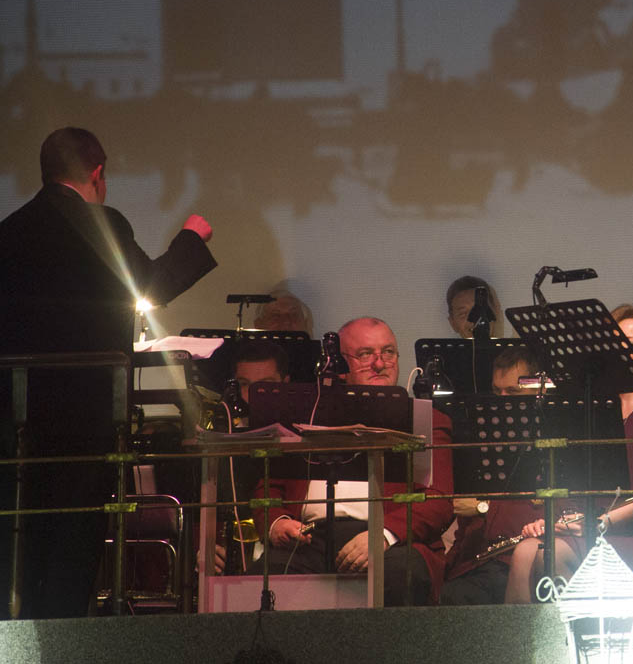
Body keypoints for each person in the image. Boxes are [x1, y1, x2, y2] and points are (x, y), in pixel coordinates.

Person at [0, 126, 217, 618]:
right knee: (73, 542)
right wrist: (191, 236)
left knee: (20, 540)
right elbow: (151, 286)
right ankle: (66, 639)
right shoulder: (102, 224)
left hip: (15, 416)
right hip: (84, 413)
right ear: (97, 174)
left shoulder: (9, 230)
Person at [251, 317, 453, 605]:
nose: (380, 364)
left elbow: (439, 499)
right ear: (340, 364)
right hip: (308, 538)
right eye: (365, 354)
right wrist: (277, 523)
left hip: (392, 540)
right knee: (263, 577)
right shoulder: (304, 415)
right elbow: (268, 488)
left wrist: (383, 534)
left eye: (388, 352)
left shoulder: (426, 419)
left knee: (401, 575)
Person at [504, 305, 633, 602]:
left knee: (549, 557)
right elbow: (581, 479)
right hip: (604, 526)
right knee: (524, 552)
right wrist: (560, 519)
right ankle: (520, 636)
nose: (621, 351)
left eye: (631, 344)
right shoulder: (597, 408)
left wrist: (602, 522)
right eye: (615, 344)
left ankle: (581, 629)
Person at [440, 346, 543, 605]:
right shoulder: (484, 436)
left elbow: (544, 509)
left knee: (461, 597)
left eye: (513, 392)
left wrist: (483, 506)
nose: (502, 400)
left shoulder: (547, 438)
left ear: (538, 388)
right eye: (497, 391)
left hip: (516, 556)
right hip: (478, 559)